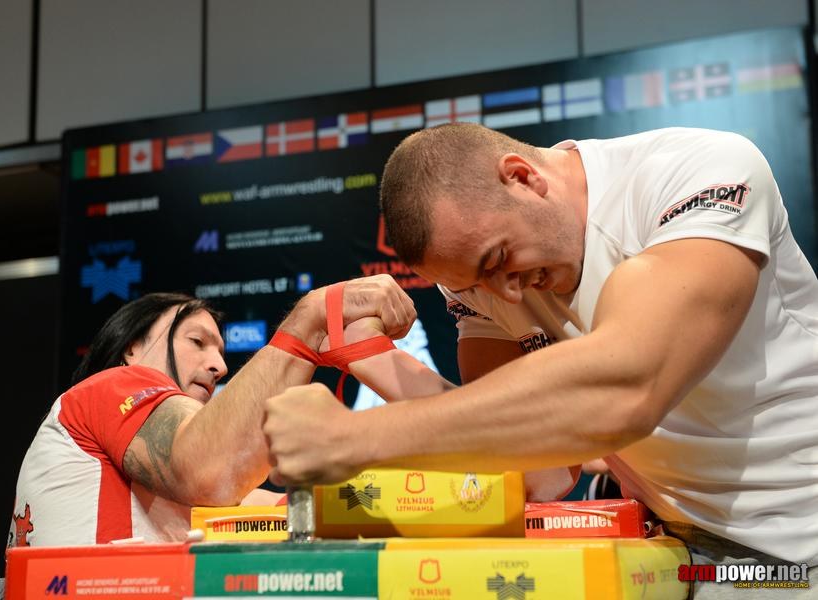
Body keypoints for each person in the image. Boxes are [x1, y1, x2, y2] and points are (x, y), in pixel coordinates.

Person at [263, 124, 818, 591]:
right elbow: (536, 469)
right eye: (476, 284)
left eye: (500, 259)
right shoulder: (479, 284)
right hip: (683, 563)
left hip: (800, 557)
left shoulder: (699, 171)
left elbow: (623, 390)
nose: (507, 295)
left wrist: (351, 440)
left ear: (523, 177)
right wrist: (372, 354)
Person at [8, 275, 415, 547]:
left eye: (221, 351)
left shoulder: (169, 478)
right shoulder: (112, 385)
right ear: (132, 346)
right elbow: (210, 470)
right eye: (197, 341)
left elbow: (312, 513)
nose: (219, 366)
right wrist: (311, 319)